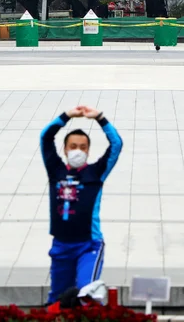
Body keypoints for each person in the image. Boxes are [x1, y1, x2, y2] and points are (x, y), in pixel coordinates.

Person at [40, 105, 123, 304]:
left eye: (83, 147)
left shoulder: (96, 172)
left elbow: (116, 144)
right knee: (58, 299)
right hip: (61, 245)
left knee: (87, 294)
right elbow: (45, 137)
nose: (78, 150)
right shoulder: (55, 170)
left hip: (89, 245)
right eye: (73, 146)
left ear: (88, 150)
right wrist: (67, 116)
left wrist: (100, 119)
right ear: (65, 149)